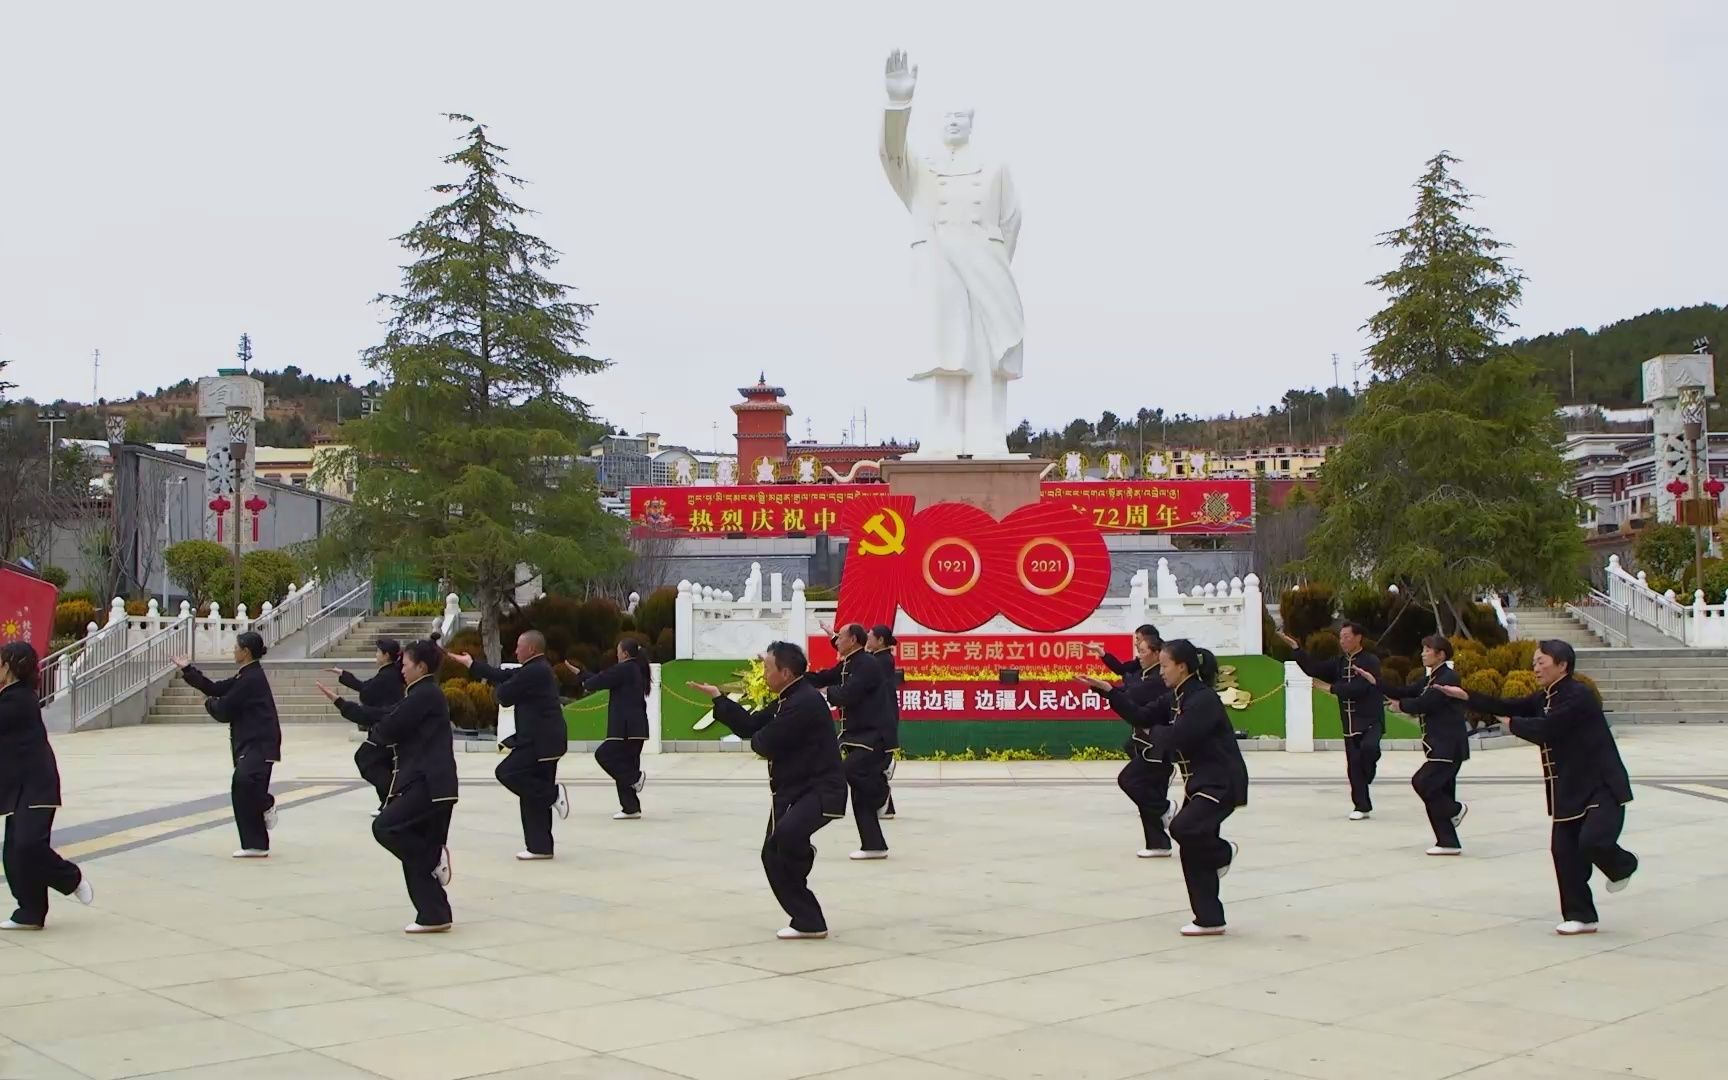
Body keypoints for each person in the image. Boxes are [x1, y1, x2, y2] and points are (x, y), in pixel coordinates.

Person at [1436, 640, 1636, 935]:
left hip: (1600, 784)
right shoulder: (1546, 696)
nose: (1535, 667)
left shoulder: (1579, 696)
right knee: (1564, 853)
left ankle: (1623, 865)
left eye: (1541, 661)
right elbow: (1508, 705)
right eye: (1534, 661)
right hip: (1568, 787)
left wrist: (1514, 725)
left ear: (1562, 665)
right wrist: (1465, 695)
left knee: (1594, 841)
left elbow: (1548, 730)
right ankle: (1581, 916)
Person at [690, 641, 846, 940]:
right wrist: (719, 699)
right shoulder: (788, 699)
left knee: (783, 841)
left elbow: (764, 742)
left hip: (820, 789)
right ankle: (808, 919)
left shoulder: (803, 703)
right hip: (794, 790)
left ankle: (806, 899)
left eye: (768, 668)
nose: (764, 673)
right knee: (773, 852)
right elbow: (751, 727)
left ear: (785, 673)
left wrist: (762, 737)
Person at [320, 638, 459, 933]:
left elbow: (391, 725)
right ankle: (434, 913)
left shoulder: (425, 695)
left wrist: (376, 737)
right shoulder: (419, 694)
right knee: (407, 841)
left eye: (406, 665)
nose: (402, 670)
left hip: (429, 784)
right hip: (425, 782)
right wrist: (342, 704)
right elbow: (387, 715)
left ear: (421, 667)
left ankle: (433, 857)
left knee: (386, 827)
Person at [1142, 640, 1248, 936]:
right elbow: (1140, 715)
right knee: (1191, 848)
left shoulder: (1202, 699)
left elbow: (1180, 736)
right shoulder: (1176, 696)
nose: (1160, 671)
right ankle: (1209, 917)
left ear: (1182, 667)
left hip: (1221, 781)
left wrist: (1156, 731)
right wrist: (1108, 692)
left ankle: (1223, 853)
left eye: (1164, 666)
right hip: (1199, 783)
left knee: (1183, 828)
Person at [451, 632, 570, 861]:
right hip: (546, 740)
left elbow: (504, 696)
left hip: (540, 741)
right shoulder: (536, 668)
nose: (515, 651)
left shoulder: (534, 671)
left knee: (508, 772)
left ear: (532, 649)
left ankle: (553, 794)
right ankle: (540, 846)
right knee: (530, 794)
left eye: (518, 646)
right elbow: (503, 675)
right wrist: (472, 664)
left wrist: (497, 691)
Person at [1, 642, 93, 930]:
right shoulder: (9, 696)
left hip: (37, 785)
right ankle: (30, 911)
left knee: (28, 845)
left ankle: (70, 877)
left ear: (12, 667)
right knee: (14, 851)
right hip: (19, 786)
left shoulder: (20, 700)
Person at [174, 632, 281, 858]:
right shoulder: (245, 675)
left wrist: (207, 704)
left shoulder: (251, 679)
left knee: (244, 783)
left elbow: (224, 709)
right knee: (242, 787)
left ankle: (265, 804)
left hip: (260, 742)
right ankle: (256, 844)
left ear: (246, 652)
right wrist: (187, 670)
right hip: (252, 742)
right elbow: (216, 688)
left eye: (236, 647)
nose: (233, 650)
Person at [1370, 635, 1470, 855]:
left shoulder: (1448, 677)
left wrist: (1401, 707)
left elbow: (1426, 703)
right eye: (1423, 649)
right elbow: (1406, 692)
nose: (1423, 653)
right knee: (1438, 790)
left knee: (1423, 782)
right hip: (1438, 746)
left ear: (1441, 654)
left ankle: (1456, 809)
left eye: (1427, 650)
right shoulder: (1430, 678)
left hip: (1447, 745)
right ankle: (1448, 841)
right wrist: (1375, 682)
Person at [1080, 625, 1174, 857]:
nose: (1138, 652)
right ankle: (1158, 843)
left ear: (1155, 651)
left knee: (1131, 781)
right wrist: (1104, 686)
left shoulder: (1155, 679)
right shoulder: (1144, 672)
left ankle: (1166, 810)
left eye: (1141, 647)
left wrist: (1106, 689)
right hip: (1145, 743)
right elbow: (1124, 678)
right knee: (1147, 791)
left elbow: (1132, 694)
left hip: (1157, 745)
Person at [1282, 622, 1383, 819]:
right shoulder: (1339, 663)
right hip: (1349, 722)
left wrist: (1332, 689)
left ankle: (1368, 773)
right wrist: (1296, 649)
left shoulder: (1371, 661)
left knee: (1369, 750)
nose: (1343, 641)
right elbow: (1314, 669)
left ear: (1358, 637)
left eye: (1347, 636)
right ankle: (1361, 806)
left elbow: (1361, 687)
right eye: (1341, 637)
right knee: (1354, 765)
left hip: (1371, 718)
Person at [808, 624, 892, 860]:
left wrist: (825, 693)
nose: (837, 642)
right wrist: (795, 676)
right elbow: (826, 676)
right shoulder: (850, 662)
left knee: (843, 772)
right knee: (859, 796)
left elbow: (849, 693)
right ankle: (874, 845)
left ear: (853, 639)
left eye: (840, 638)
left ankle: (881, 791)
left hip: (873, 735)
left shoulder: (867, 664)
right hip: (857, 735)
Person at [566, 639, 651, 819]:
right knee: (626, 764)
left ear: (625, 654)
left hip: (625, 728)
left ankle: (635, 778)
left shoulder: (625, 668)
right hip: (637, 727)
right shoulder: (634, 669)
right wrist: (582, 674)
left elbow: (598, 681)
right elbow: (601, 679)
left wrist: (583, 677)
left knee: (604, 755)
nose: (617, 654)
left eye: (618, 651)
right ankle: (630, 807)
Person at [329, 639, 406, 815]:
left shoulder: (387, 675)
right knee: (383, 764)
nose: (376, 654)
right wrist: (343, 674)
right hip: (385, 725)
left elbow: (366, 690)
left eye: (378, 651)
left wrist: (340, 694)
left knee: (366, 759)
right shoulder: (389, 673)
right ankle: (387, 802)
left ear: (386, 655)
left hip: (385, 727)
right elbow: (366, 689)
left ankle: (392, 799)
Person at [865, 625, 901, 820]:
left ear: (880, 641)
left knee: (874, 765)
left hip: (882, 718)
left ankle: (888, 765)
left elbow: (857, 663)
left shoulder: (882, 661)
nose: (867, 640)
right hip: (881, 716)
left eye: (870, 637)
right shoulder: (879, 658)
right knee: (874, 765)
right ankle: (885, 807)